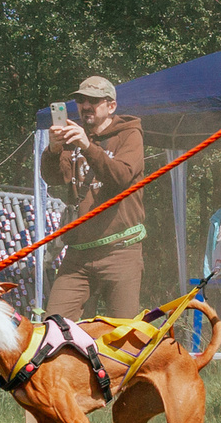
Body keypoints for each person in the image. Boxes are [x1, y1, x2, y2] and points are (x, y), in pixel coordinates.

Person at [44, 76, 146, 321]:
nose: (85, 106)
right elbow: (56, 178)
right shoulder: (73, 136)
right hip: (78, 254)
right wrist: (54, 150)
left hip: (120, 251)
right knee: (53, 327)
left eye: (93, 100)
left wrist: (87, 146)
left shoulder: (129, 134)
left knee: (122, 335)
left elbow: (120, 177)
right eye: (81, 100)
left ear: (111, 106)